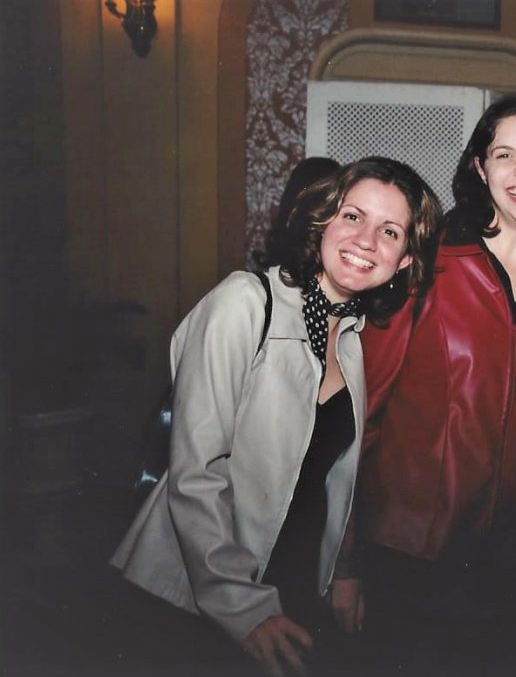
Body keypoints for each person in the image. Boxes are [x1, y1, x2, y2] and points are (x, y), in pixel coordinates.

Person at [110, 157, 442, 676]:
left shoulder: (352, 337)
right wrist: (242, 607)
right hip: (196, 595)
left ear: (403, 261)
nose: (366, 240)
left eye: (390, 231)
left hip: (288, 582)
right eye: (353, 216)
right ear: (323, 220)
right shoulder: (244, 302)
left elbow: (333, 477)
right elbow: (196, 474)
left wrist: (342, 571)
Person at [344, 95, 516, 671]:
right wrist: (346, 564)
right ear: (480, 169)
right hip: (410, 562)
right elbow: (359, 424)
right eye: (505, 154)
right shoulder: (423, 271)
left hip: (515, 571)